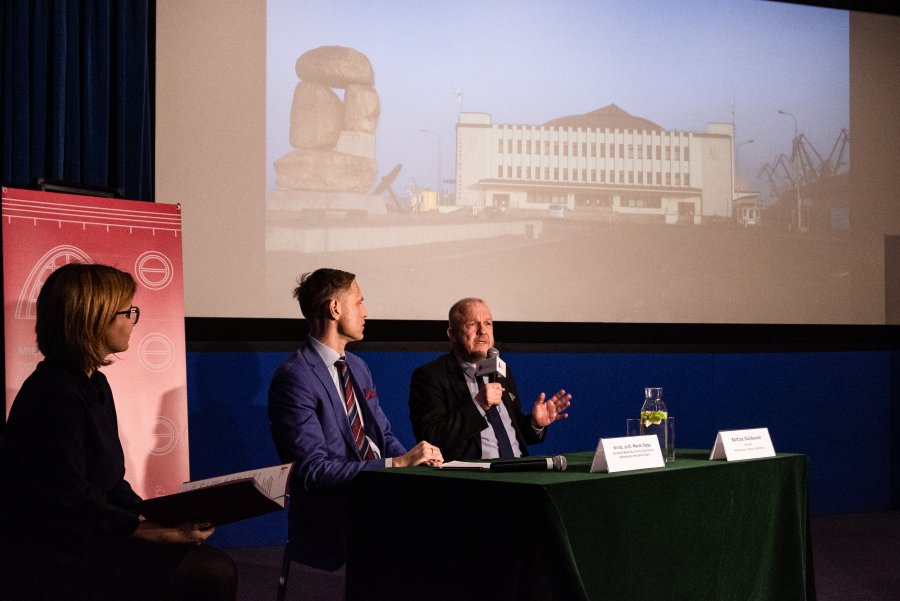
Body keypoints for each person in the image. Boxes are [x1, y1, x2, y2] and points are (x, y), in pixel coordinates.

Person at [0, 263, 237, 601]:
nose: (132, 321)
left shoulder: (94, 383)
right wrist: (151, 532)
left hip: (88, 533)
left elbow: (109, 483)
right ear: (93, 319)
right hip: (57, 554)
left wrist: (161, 516)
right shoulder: (52, 395)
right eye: (127, 312)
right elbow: (64, 504)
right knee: (212, 572)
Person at [268, 268, 442, 572]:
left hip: (382, 492)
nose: (366, 311)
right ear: (335, 308)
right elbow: (312, 472)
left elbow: (383, 436)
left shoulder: (358, 367)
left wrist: (414, 463)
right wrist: (397, 465)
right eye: (359, 302)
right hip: (341, 508)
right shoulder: (294, 378)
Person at [408, 297, 571, 461]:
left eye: (488, 323)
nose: (482, 331)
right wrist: (478, 405)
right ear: (452, 334)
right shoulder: (431, 376)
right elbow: (431, 438)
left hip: (518, 468)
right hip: (474, 477)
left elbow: (511, 432)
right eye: (472, 324)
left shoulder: (501, 370)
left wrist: (535, 424)